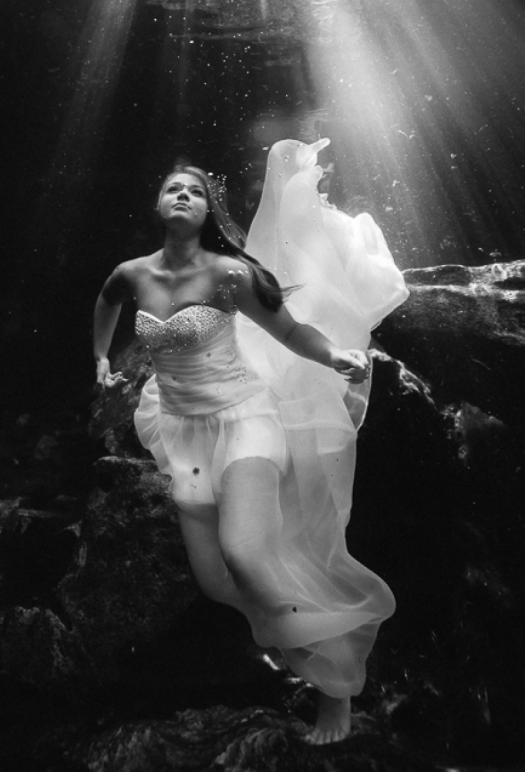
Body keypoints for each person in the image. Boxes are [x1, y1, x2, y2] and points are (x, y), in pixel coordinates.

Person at [93, 138, 408, 745]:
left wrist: (334, 353)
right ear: (157, 204)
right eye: (171, 188)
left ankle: (335, 687)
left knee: (246, 556)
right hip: (182, 430)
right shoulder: (131, 273)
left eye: (194, 190)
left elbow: (289, 329)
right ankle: (299, 630)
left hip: (245, 419)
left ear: (208, 210)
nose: (182, 195)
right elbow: (107, 303)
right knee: (215, 582)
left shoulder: (230, 274)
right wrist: (99, 357)